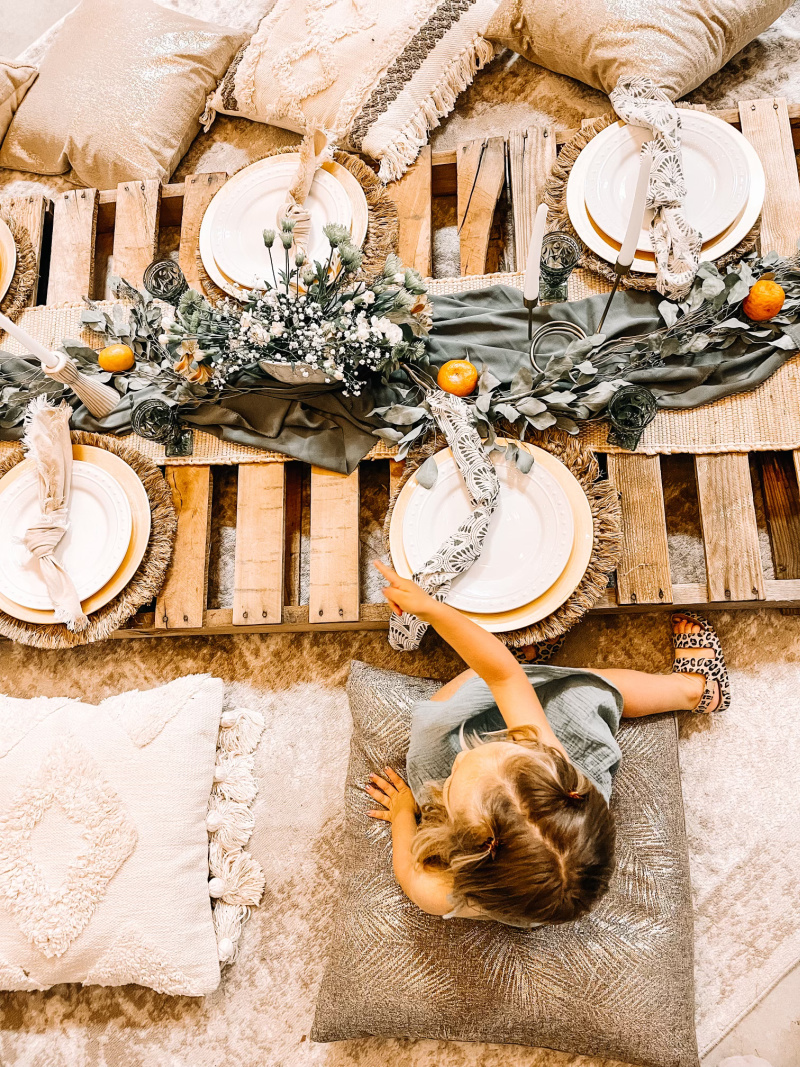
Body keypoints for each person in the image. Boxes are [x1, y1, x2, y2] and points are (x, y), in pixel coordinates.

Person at [366, 561, 730, 928]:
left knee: (452, 703)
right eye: (501, 746)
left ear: (463, 848)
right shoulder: (547, 764)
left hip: (530, 827)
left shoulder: (437, 889)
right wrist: (433, 609)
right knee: (585, 690)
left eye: (457, 771)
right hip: (561, 804)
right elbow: (504, 675)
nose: (459, 760)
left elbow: (409, 874)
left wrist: (401, 810)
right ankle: (690, 688)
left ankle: (688, 689)